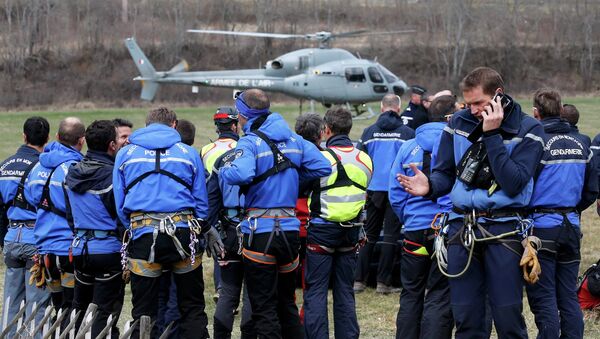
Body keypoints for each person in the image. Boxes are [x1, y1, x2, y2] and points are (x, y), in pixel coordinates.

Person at [398, 67, 545, 338]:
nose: (473, 110)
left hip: (504, 231)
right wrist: (430, 186)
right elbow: (444, 172)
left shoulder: (529, 129)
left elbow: (514, 183)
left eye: (479, 103)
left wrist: (491, 135)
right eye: (468, 103)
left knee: (507, 317)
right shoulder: (457, 123)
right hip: (461, 229)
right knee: (466, 318)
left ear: (498, 95)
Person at [220, 89, 331, 338]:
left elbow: (242, 174)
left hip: (261, 231)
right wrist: (292, 178)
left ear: (243, 115)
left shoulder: (249, 142)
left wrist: (224, 169)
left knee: (263, 308)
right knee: (286, 304)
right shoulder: (293, 139)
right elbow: (324, 166)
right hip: (290, 230)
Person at [113, 107, 223, 338]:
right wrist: (201, 227)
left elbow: (120, 201)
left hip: (143, 235)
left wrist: (132, 226)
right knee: (191, 306)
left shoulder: (125, 154)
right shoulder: (188, 152)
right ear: (174, 125)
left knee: (143, 310)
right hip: (183, 235)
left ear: (146, 125)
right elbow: (201, 202)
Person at [526, 89, 598, 339]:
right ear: (560, 111)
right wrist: (575, 209)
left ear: (536, 112)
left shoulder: (536, 141)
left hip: (543, 226)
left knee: (543, 295)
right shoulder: (583, 142)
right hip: (571, 224)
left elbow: (523, 185)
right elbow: (592, 188)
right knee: (568, 294)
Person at [389, 95, 457, 339]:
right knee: (440, 293)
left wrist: (408, 218)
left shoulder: (408, 146)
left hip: (415, 232)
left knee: (411, 292)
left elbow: (395, 192)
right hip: (446, 231)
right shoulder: (457, 143)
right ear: (451, 117)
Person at [303, 107, 372, 339]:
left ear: (327, 129)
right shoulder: (365, 158)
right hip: (351, 232)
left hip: (322, 231)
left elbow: (304, 188)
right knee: (345, 292)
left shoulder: (320, 158)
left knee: (316, 292)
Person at [64, 120, 126, 338]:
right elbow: (120, 216)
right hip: (107, 250)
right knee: (103, 312)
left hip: (80, 249)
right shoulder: (112, 176)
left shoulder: (71, 173)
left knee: (79, 310)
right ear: (112, 145)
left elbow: (69, 215)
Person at [355, 94, 415, 294]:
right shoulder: (407, 133)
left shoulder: (368, 132)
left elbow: (360, 161)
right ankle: (383, 283)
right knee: (391, 236)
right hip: (397, 190)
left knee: (369, 235)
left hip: (372, 190)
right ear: (398, 109)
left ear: (382, 108)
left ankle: (358, 281)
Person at [27, 117, 85, 317]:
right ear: (82, 140)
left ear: (58, 137)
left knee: (58, 307)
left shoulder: (37, 167)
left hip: (45, 251)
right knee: (73, 309)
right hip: (68, 249)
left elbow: (30, 197)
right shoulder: (76, 168)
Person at [0, 117, 51, 338]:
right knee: (37, 305)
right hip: (35, 239)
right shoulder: (44, 168)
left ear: (24, 136)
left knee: (10, 304)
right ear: (47, 138)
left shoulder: (5, 165)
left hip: (11, 237)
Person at [201, 107, 240, 303]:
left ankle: (221, 289)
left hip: (216, 208)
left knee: (219, 248)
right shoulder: (243, 147)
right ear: (234, 125)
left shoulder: (206, 150)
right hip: (238, 209)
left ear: (217, 127)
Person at [293, 113, 325, 321]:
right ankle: (304, 317)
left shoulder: (289, 154)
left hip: (289, 222)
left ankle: (290, 316)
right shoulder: (324, 158)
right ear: (321, 134)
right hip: (313, 223)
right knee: (311, 278)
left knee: (286, 274)